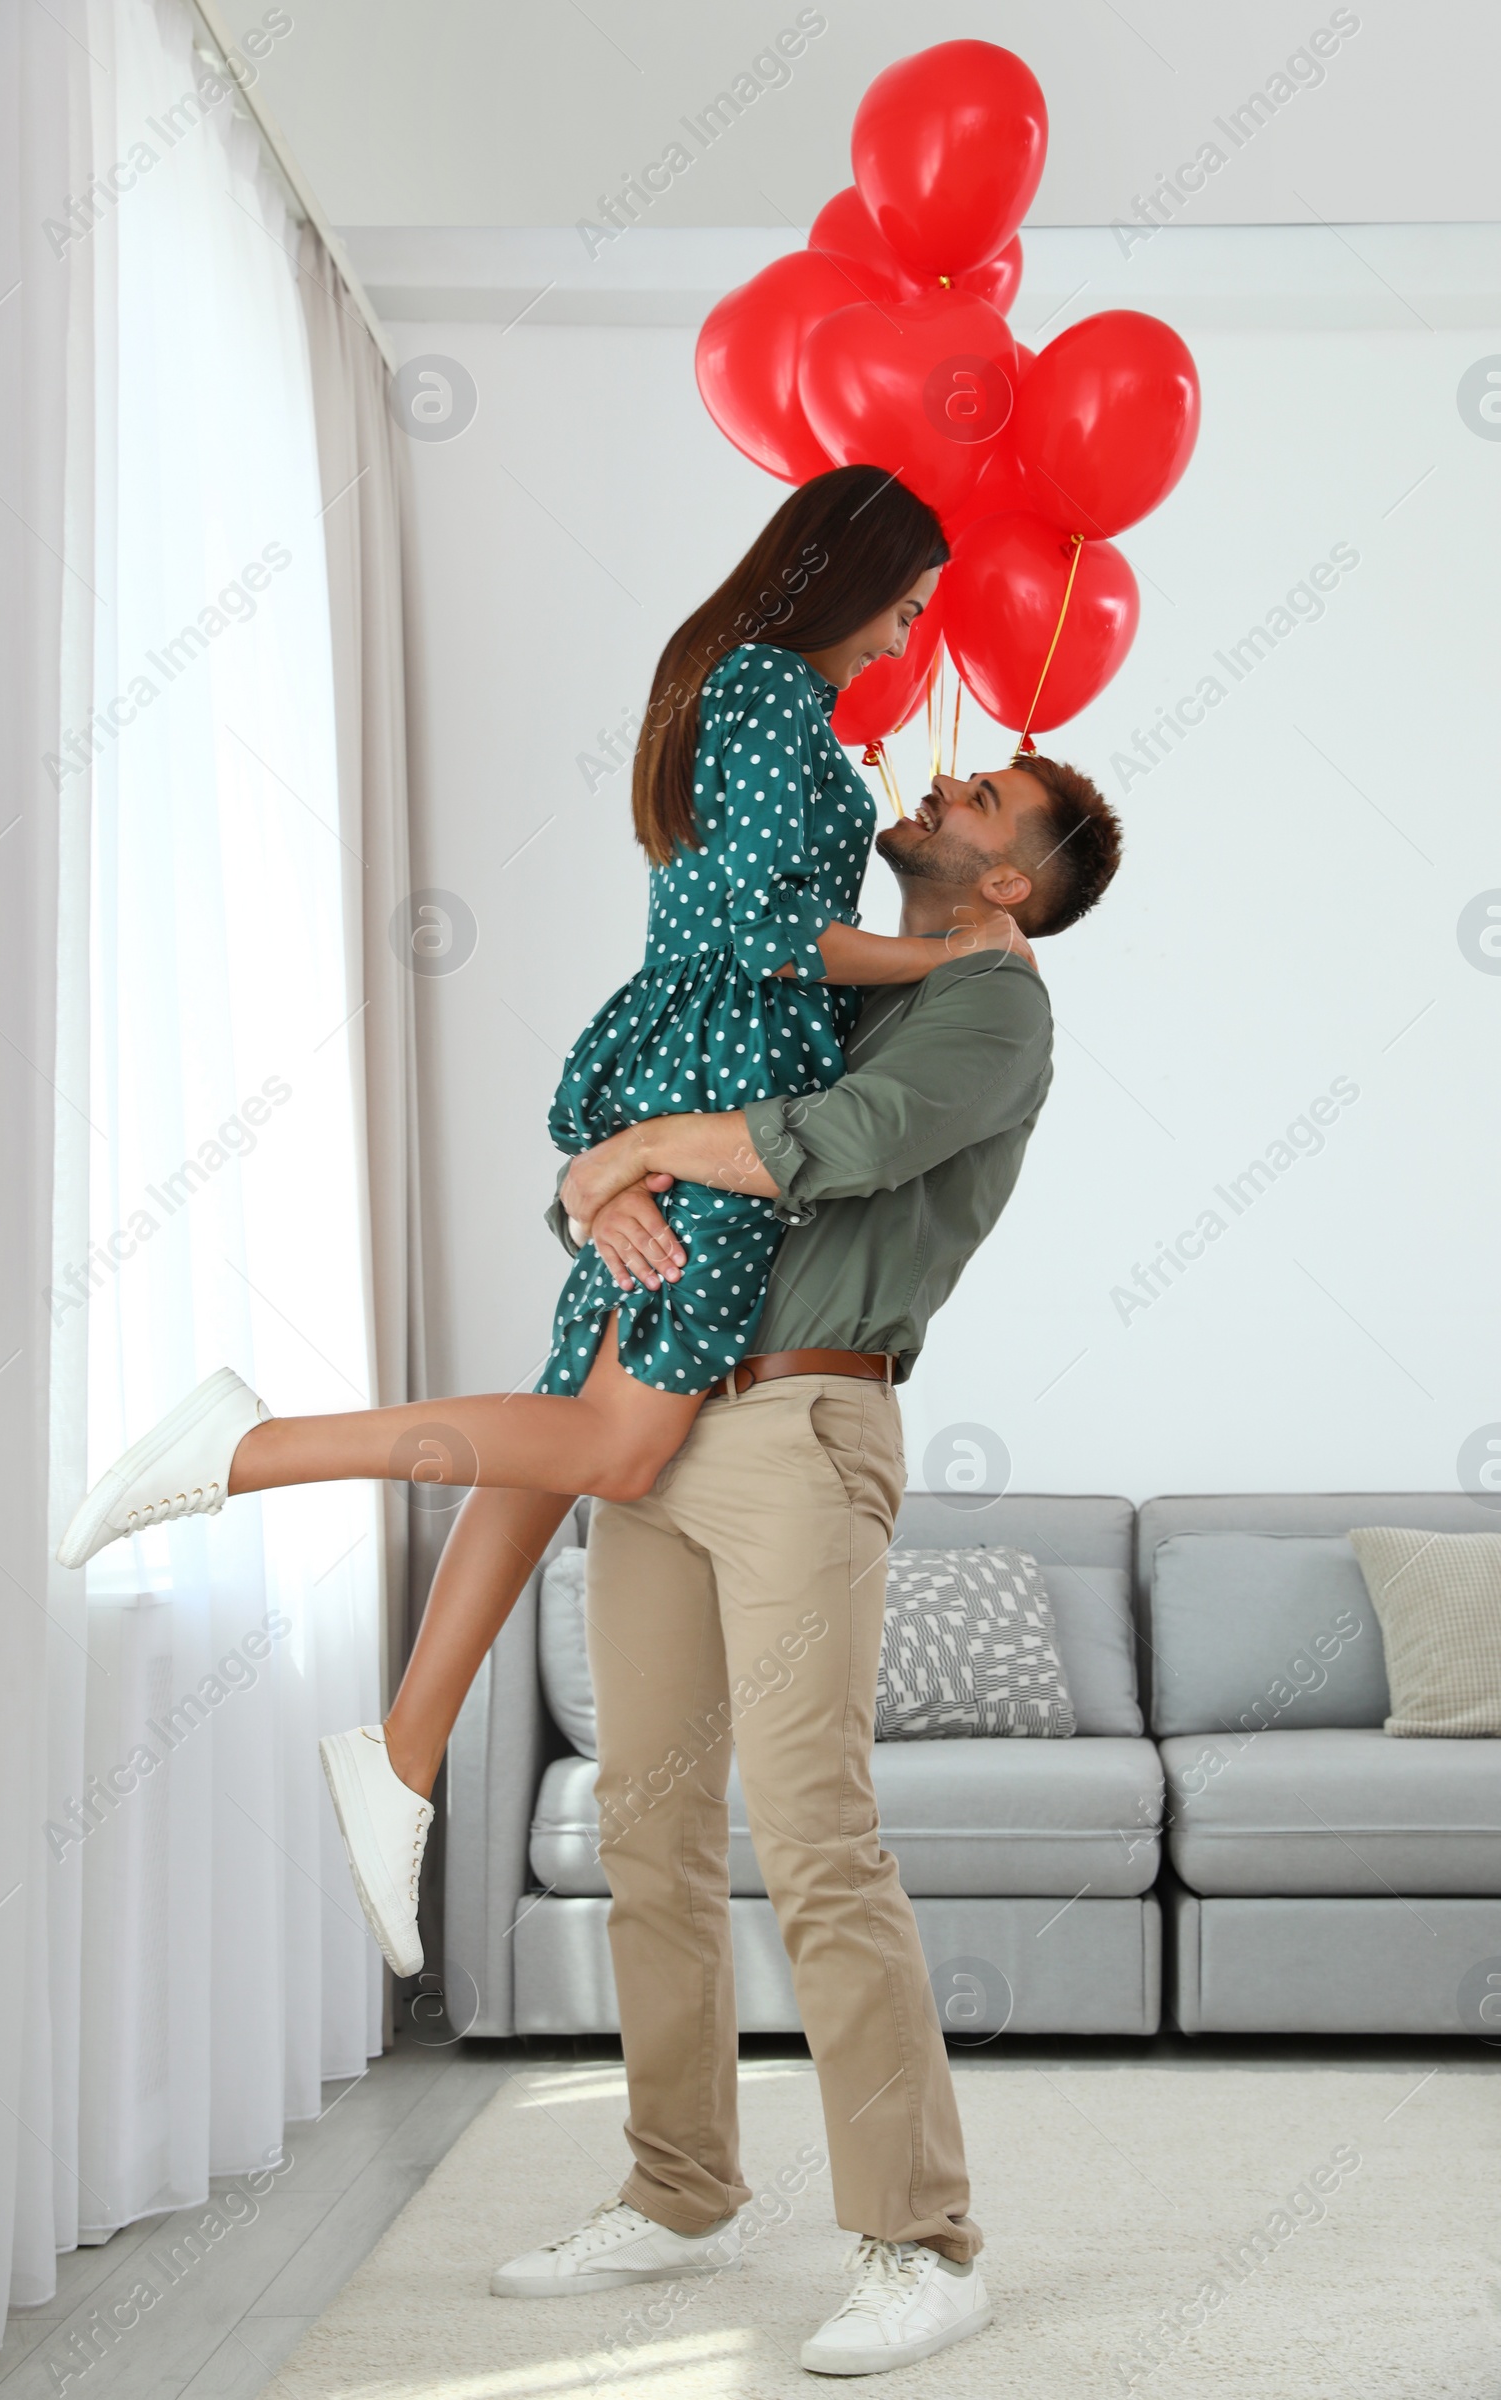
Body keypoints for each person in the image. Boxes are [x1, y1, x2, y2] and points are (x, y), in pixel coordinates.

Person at [56, 464, 1011, 1973]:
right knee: (624, 1444)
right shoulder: (767, 689)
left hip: (696, 1055)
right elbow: (767, 931)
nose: (903, 641)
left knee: (563, 1422)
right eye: (902, 605)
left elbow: (739, 915)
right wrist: (956, 961)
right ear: (845, 575)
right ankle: (242, 1451)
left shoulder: (734, 686)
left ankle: (405, 1756)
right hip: (723, 1065)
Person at [488, 750, 1121, 2375]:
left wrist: (643, 1152)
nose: (939, 784)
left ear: (1011, 884)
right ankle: (679, 2187)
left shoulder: (994, 1009)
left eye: (982, 801)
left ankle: (924, 2244)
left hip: (803, 1433)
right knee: (648, 1829)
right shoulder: (822, 968)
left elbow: (817, 1146)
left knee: (819, 1839)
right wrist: (592, 1179)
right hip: (658, 1418)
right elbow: (641, 1121)